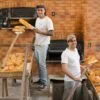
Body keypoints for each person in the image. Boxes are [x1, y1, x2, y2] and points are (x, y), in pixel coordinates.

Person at [30, 5, 54, 89]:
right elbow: (35, 33)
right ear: (36, 11)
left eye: (41, 10)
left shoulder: (48, 20)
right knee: (39, 64)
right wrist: (33, 43)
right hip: (37, 44)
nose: (40, 12)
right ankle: (41, 80)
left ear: (44, 11)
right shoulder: (37, 19)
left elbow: (51, 33)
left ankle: (44, 83)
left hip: (43, 45)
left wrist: (39, 31)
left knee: (42, 64)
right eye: (38, 10)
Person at [61, 34, 85, 100]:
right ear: (68, 42)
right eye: (71, 41)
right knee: (67, 98)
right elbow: (64, 69)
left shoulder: (76, 50)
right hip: (70, 81)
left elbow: (76, 63)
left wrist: (81, 66)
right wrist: (74, 78)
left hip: (78, 79)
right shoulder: (65, 53)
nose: (74, 42)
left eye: (75, 40)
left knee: (77, 97)